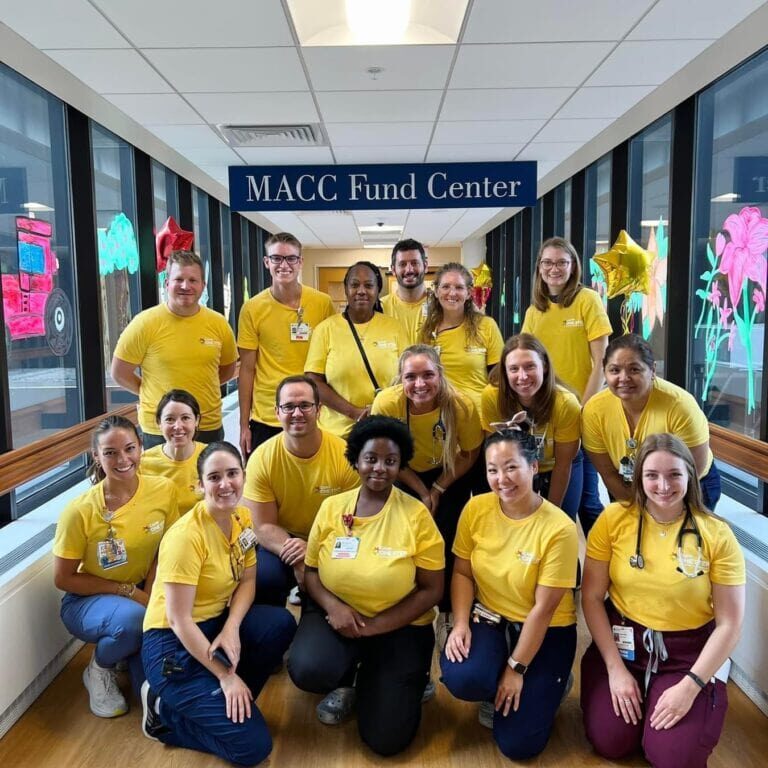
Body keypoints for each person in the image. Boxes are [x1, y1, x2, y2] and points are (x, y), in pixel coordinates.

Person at [580, 434, 745, 768]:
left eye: (674, 475)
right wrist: (614, 669)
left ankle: (672, 707)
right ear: (639, 478)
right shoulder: (613, 520)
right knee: (611, 742)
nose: (663, 485)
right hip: (623, 648)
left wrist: (691, 686)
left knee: (673, 758)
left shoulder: (716, 534)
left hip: (686, 656)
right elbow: (592, 597)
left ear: (690, 476)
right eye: (652, 475)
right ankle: (635, 701)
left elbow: (729, 623)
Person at [287, 416, 444, 756]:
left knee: (386, 740)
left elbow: (432, 590)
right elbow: (311, 572)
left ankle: (391, 676)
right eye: (371, 458)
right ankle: (350, 678)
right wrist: (333, 607)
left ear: (401, 465)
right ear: (356, 460)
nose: (380, 468)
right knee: (308, 668)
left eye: (391, 461)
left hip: (399, 626)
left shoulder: (416, 515)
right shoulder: (332, 507)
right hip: (336, 618)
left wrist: (374, 627)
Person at [140, 442, 296, 766]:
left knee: (279, 624)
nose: (225, 484)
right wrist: (225, 675)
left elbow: (249, 580)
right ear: (200, 485)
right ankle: (163, 713)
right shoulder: (185, 537)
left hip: (214, 623)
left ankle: (228, 704)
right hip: (172, 642)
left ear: (243, 476)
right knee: (253, 748)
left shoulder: (242, 516)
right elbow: (179, 620)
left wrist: (232, 627)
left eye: (232, 474)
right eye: (214, 477)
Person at [440, 428, 578, 759]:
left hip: (545, 630)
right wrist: (460, 624)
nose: (502, 478)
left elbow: (543, 611)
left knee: (518, 746)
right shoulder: (476, 510)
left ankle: (548, 681)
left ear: (533, 466)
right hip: (490, 618)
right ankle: (495, 675)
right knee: (463, 677)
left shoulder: (559, 528)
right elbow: (461, 572)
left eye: (511, 466)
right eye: (492, 469)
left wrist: (515, 669)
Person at [52, 415, 179, 718]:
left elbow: (166, 550)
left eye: (130, 448)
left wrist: (149, 595)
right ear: (96, 456)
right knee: (135, 621)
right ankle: (99, 668)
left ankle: (126, 650)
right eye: (110, 452)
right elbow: (63, 578)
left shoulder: (163, 490)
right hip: (87, 599)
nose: (123, 459)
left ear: (140, 448)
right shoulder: (79, 510)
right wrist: (128, 592)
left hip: (143, 591)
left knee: (150, 689)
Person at [371, 344, 482, 612]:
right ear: (401, 378)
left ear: (440, 374)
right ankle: (402, 601)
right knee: (404, 535)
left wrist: (437, 488)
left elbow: (469, 453)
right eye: (410, 377)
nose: (420, 384)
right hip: (402, 471)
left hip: (449, 472)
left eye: (428, 375)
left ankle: (447, 610)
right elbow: (385, 457)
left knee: (446, 537)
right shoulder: (387, 403)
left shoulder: (461, 404)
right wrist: (422, 491)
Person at [242, 375, 359, 607]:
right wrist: (298, 557)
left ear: (319, 410)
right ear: (277, 412)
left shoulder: (345, 455)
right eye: (288, 407)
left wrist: (313, 550)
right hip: (284, 539)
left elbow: (354, 522)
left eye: (305, 405)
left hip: (332, 538)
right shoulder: (262, 458)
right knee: (264, 577)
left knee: (345, 575)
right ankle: (275, 628)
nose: (297, 413)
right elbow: (262, 526)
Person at [521, 236, 612, 534]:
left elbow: (602, 361)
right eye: (547, 262)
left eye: (562, 262)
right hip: (548, 412)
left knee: (587, 501)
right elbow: (524, 356)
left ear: (573, 266)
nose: (554, 268)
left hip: (583, 410)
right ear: (539, 268)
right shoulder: (536, 310)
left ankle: (603, 567)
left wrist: (584, 407)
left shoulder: (587, 300)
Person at [111, 250, 238, 448]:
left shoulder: (219, 324)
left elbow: (228, 369)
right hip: (160, 428)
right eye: (178, 279)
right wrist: (150, 392)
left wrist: (201, 385)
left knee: (207, 479)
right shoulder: (145, 323)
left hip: (206, 424)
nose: (185, 286)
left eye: (193, 280)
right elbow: (119, 372)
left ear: (203, 286)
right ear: (167, 283)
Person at [582, 334, 721, 509]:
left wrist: (657, 512)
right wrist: (637, 510)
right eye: (614, 370)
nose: (624, 378)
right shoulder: (594, 410)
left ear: (653, 370)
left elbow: (693, 470)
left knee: (678, 535)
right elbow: (609, 474)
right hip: (626, 484)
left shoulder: (680, 406)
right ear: (604, 372)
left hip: (688, 485)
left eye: (634, 369)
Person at [237, 232, 335, 457]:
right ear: (266, 262)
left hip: (311, 411)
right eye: (277, 258)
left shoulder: (322, 303)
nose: (284, 265)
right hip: (267, 415)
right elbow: (247, 369)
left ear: (300, 262)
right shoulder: (252, 309)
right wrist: (244, 425)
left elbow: (332, 359)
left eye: (291, 258)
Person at [480, 334, 582, 521]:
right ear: (504, 372)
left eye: (530, 366)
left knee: (559, 521)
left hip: (556, 465)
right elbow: (494, 455)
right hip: (513, 466)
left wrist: (550, 515)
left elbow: (563, 464)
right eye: (514, 369)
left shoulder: (566, 403)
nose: (522, 376)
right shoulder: (491, 397)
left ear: (544, 366)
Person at [305, 261, 407, 439]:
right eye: (354, 285)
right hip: (337, 434)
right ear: (346, 289)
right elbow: (314, 381)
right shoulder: (325, 329)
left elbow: (407, 376)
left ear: (377, 291)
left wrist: (383, 408)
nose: (361, 291)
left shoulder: (394, 328)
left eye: (368, 285)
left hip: (386, 429)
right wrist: (354, 412)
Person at [420, 262, 503, 412]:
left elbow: (499, 379)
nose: (452, 293)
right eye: (445, 287)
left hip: (478, 415)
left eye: (459, 287)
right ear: (437, 291)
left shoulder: (486, 326)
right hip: (440, 415)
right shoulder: (427, 331)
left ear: (469, 292)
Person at [140, 389, 205, 515]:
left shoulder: (212, 457)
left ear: (196, 420)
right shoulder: (143, 462)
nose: (178, 426)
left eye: (185, 418)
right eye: (170, 419)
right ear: (159, 423)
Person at [381, 238, 429, 346]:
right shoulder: (381, 307)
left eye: (414, 263)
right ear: (393, 270)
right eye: (402, 264)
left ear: (425, 266)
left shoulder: (440, 306)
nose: (409, 270)